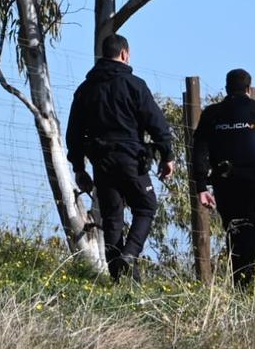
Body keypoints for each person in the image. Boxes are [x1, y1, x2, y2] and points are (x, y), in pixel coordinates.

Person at [65, 33, 174, 282]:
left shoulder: (85, 90)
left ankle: (120, 280)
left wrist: (79, 168)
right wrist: (166, 155)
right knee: (146, 206)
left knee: (113, 218)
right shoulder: (134, 85)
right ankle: (130, 254)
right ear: (124, 54)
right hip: (130, 158)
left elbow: (73, 133)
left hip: (101, 162)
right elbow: (156, 122)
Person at [192, 68, 255, 290]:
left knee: (233, 231)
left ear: (226, 89)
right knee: (251, 233)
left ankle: (239, 283)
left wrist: (201, 184)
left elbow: (198, 150)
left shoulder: (211, 114)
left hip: (224, 181)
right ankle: (243, 286)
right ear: (249, 89)